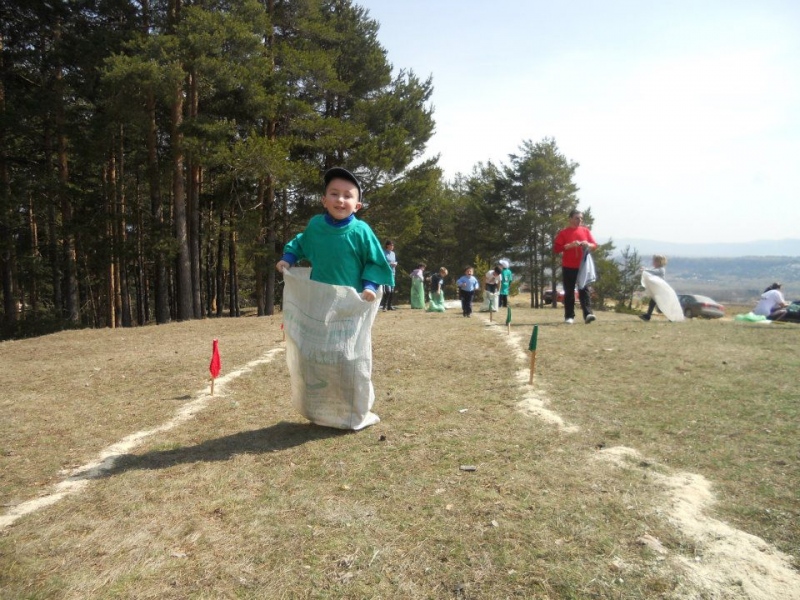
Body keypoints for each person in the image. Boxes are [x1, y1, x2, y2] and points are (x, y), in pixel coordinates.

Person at [276, 167, 393, 298]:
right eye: (334, 194)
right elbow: (301, 243)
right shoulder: (316, 226)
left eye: (347, 196)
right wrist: (288, 258)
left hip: (351, 302)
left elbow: (375, 261)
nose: (340, 200)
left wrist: (370, 286)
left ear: (357, 206)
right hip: (320, 300)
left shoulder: (362, 231)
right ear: (324, 201)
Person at [553, 209, 597, 324]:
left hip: (583, 266)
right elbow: (557, 248)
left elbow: (594, 245)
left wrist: (588, 244)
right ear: (570, 219)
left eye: (581, 218)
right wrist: (569, 246)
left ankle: (588, 314)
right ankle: (569, 316)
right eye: (577, 218)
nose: (579, 220)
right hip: (568, 265)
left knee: (584, 289)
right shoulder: (564, 233)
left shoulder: (585, 231)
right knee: (569, 291)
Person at [639, 255, 668, 321]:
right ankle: (648, 316)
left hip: (660, 290)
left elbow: (653, 272)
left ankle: (671, 317)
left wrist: (644, 270)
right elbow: (651, 271)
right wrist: (645, 269)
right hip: (657, 290)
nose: (653, 262)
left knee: (660, 305)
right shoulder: (658, 269)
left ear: (659, 262)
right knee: (653, 303)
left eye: (654, 261)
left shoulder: (661, 270)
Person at [380, 240, 398, 311]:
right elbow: (382, 262)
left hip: (393, 272)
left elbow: (394, 261)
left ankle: (390, 306)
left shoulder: (393, 253)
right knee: (388, 290)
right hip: (386, 273)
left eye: (393, 245)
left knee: (392, 290)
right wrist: (389, 264)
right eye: (391, 245)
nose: (392, 247)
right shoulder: (383, 253)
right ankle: (384, 306)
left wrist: (395, 264)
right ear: (387, 245)